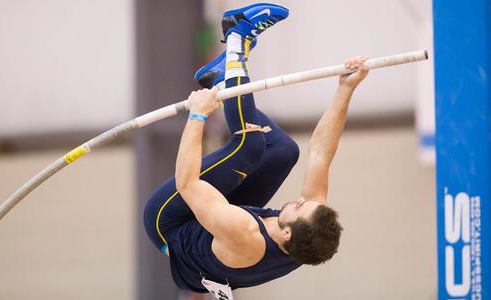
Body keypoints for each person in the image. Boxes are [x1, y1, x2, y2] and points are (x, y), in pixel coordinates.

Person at [143, 3, 369, 295]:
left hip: (170, 224)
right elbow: (321, 152)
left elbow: (187, 183)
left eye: (300, 208)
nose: (301, 201)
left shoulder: (245, 234)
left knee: (249, 147)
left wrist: (197, 116)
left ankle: (236, 35)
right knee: (284, 150)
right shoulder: (307, 238)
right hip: (215, 223)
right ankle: (224, 77)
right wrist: (345, 90)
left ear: (287, 233)